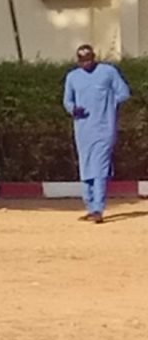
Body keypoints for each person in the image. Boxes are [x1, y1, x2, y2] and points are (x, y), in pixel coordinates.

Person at [63, 42, 132, 222]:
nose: (86, 63)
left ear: (94, 57)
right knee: (86, 167)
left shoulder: (108, 72)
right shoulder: (72, 77)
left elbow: (124, 92)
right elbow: (67, 101)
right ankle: (90, 205)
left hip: (104, 127)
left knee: (99, 167)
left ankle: (98, 209)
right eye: (82, 60)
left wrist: (109, 104)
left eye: (89, 59)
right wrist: (73, 109)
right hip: (83, 129)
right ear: (78, 61)